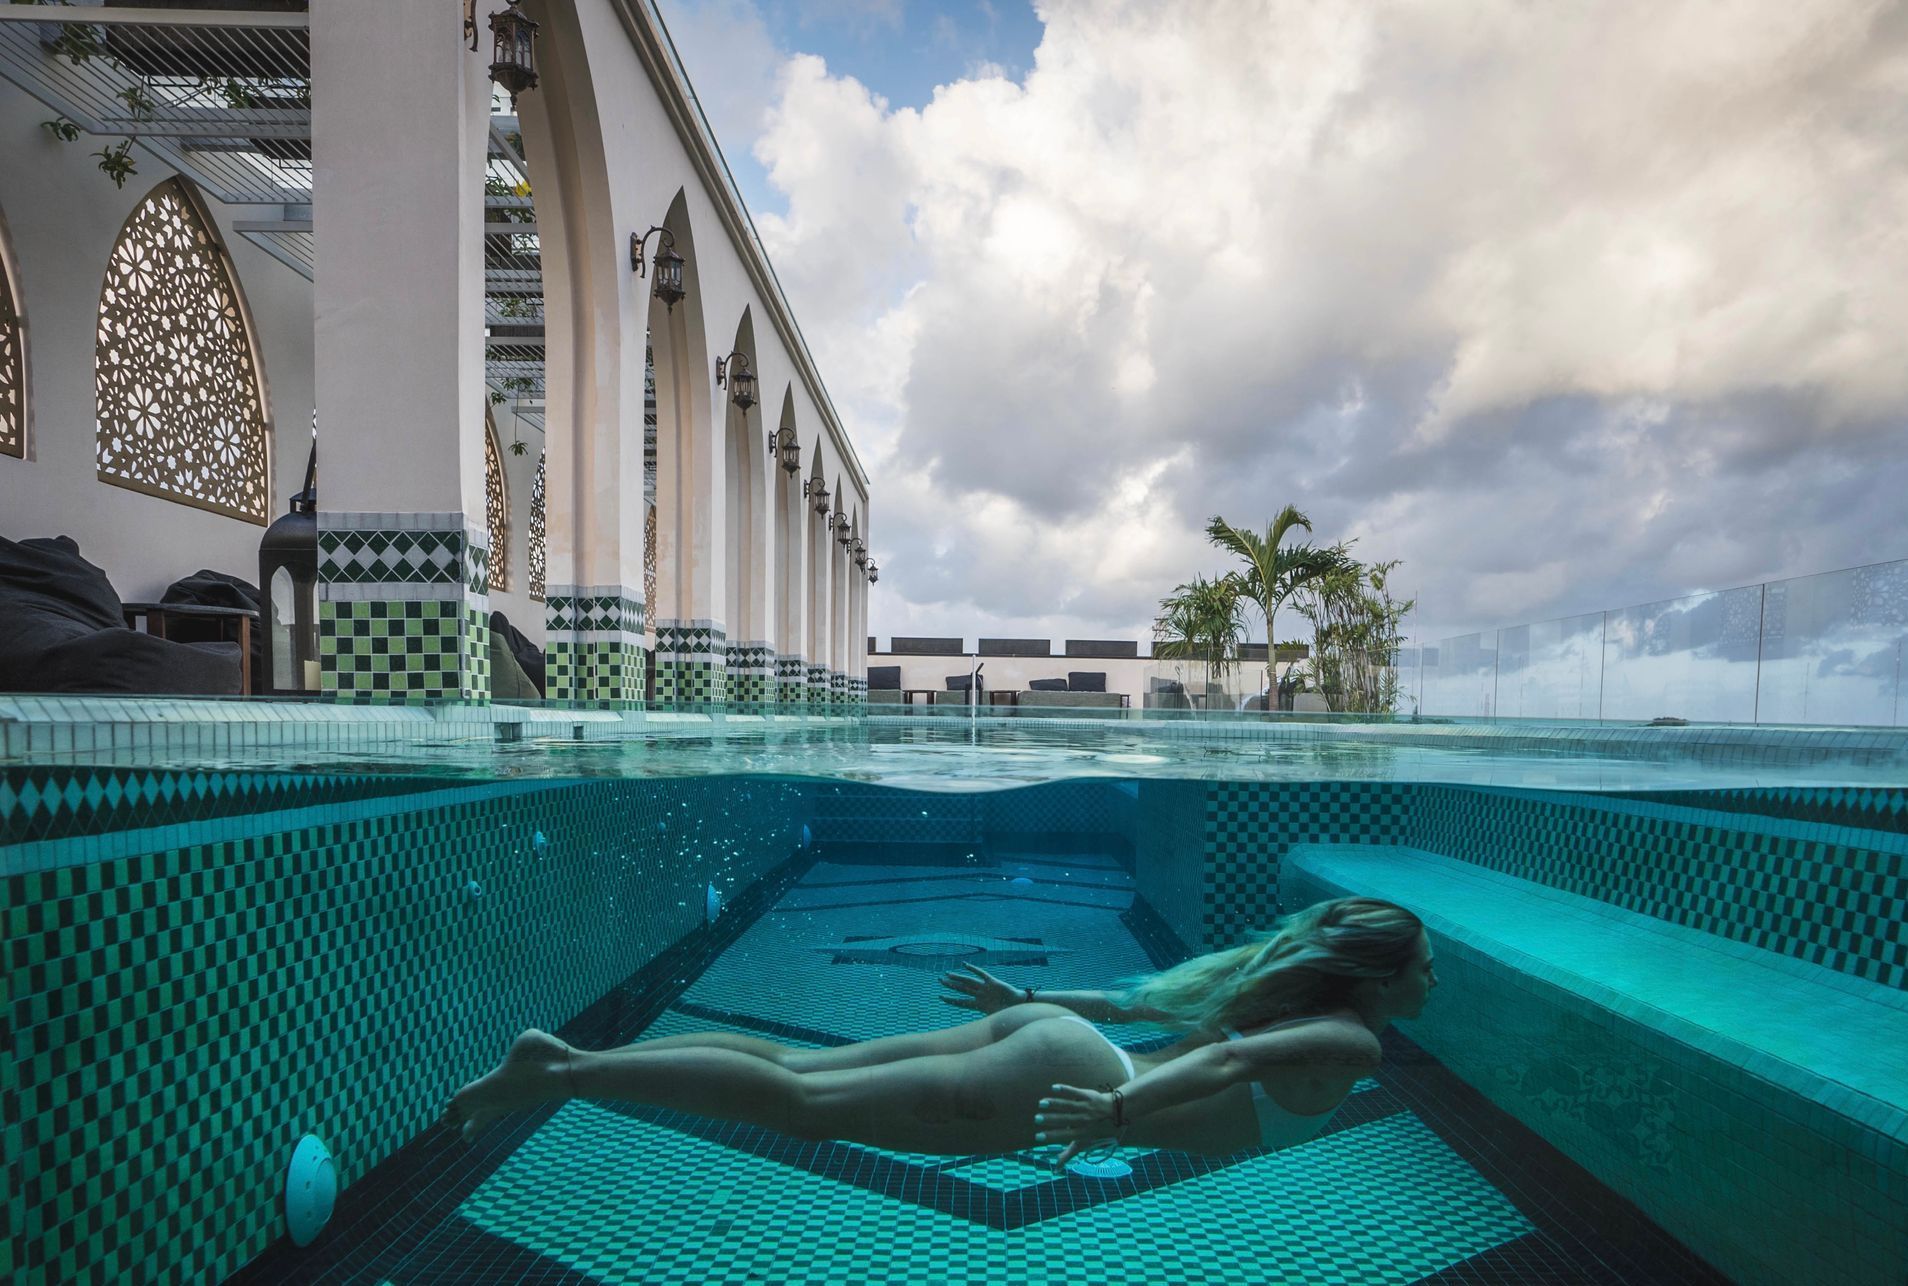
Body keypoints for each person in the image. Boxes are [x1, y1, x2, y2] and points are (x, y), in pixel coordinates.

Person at [443, 896, 1435, 1166]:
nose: (1435, 974)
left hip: (1057, 1041)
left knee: (796, 1065)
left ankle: (568, 1061)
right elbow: (1223, 1058)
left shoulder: (1288, 993)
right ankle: (566, 1071)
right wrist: (1119, 1108)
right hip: (1064, 1083)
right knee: (801, 1105)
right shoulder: (1352, 1041)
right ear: (1383, 976)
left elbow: (1140, 1007)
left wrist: (1028, 1002)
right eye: (1426, 962)